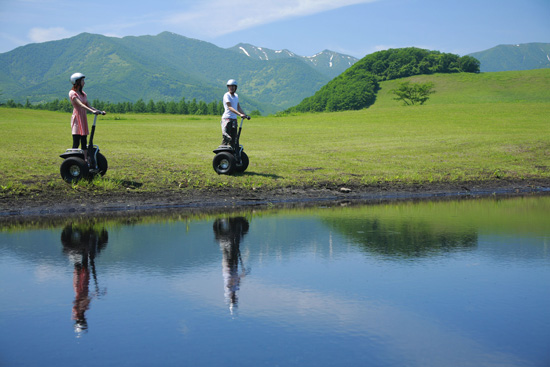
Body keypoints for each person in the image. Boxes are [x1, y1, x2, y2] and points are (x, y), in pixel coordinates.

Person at [69, 72, 105, 163]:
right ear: (76, 82)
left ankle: (85, 160)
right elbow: (80, 105)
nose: (84, 82)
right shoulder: (72, 93)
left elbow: (88, 105)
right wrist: (92, 111)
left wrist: (99, 111)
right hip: (77, 118)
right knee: (76, 141)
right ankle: (74, 160)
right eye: (82, 81)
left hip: (83, 117)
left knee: (84, 140)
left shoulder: (83, 94)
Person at [220, 79, 250, 146]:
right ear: (228, 87)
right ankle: (222, 152)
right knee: (227, 137)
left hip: (234, 119)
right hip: (227, 119)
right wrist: (240, 114)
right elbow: (230, 107)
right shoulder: (226, 95)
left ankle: (234, 153)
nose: (231, 88)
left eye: (233, 86)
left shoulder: (236, 96)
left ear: (236, 87)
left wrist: (245, 115)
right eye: (230, 86)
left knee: (234, 139)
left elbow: (238, 107)